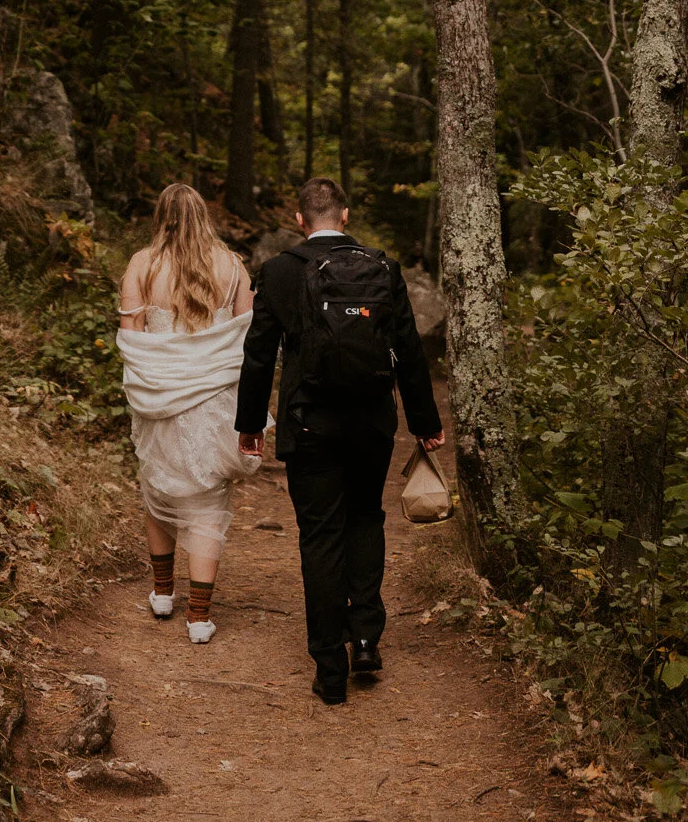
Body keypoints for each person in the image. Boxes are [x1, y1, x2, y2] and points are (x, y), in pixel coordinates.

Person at [235, 176, 444, 704]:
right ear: (345, 216)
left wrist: (250, 425)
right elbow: (409, 352)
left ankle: (330, 667)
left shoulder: (280, 271)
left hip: (310, 425)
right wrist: (424, 422)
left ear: (300, 220)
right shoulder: (383, 267)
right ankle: (367, 639)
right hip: (373, 422)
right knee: (366, 519)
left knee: (320, 536)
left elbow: (259, 355)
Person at [117, 184, 258, 644]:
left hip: (157, 394)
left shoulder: (143, 263)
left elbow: (131, 336)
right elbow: (246, 334)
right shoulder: (232, 266)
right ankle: (199, 616)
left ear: (162, 217)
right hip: (215, 396)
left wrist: (149, 382)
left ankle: (162, 593)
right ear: (204, 216)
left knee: (159, 484)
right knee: (206, 498)